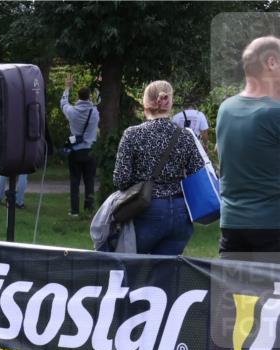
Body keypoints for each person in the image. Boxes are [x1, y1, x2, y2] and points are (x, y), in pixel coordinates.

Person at [112, 80, 204, 255]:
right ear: (170, 102)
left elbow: (121, 179)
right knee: (166, 269)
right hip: (180, 213)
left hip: (145, 209)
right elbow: (198, 174)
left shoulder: (132, 134)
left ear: (145, 102)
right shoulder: (185, 136)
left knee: (133, 267)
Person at [216, 35, 280, 259]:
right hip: (272, 226)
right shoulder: (274, 113)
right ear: (271, 62)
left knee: (234, 283)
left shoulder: (226, 108)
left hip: (232, 224)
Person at [61, 76, 100, 217]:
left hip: (75, 151)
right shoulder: (94, 112)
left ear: (78, 96)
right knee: (89, 182)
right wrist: (98, 86)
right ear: (89, 96)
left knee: (75, 181)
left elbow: (63, 103)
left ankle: (74, 210)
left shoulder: (72, 112)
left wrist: (67, 87)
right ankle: (89, 210)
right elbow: (100, 101)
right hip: (90, 151)